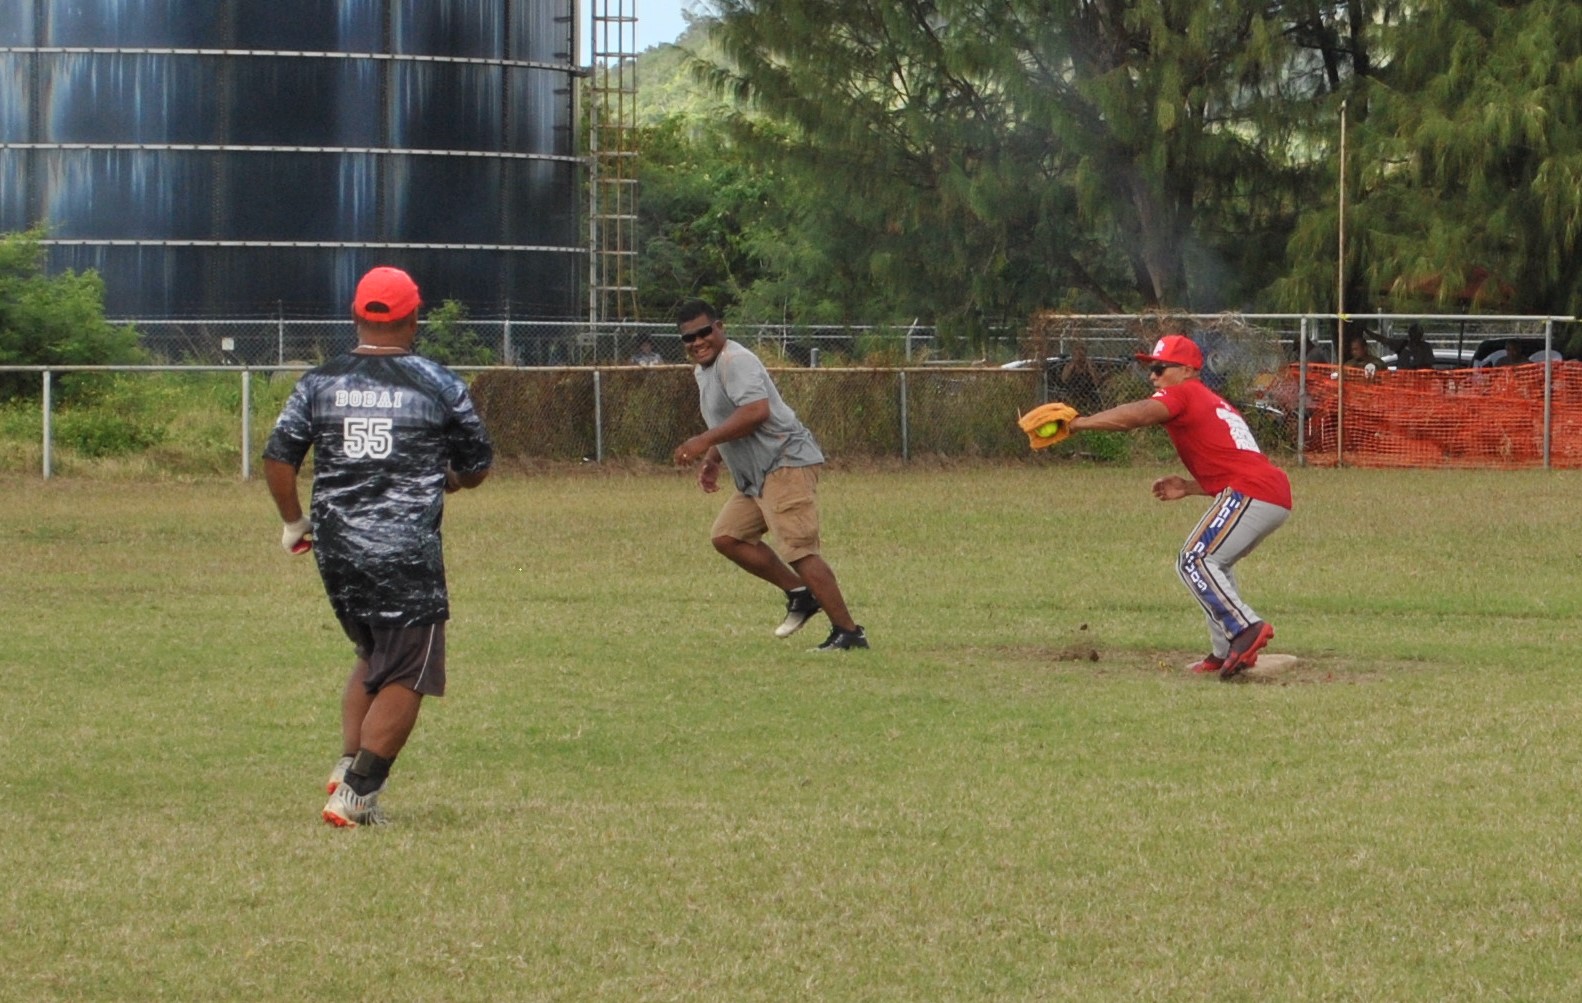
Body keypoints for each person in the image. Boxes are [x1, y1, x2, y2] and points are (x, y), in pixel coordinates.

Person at [264, 266, 494, 827]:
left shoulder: (318, 382)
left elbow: (278, 456)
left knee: (372, 655)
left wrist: (295, 523)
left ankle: (347, 766)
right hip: (405, 551)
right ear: (415, 318)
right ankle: (358, 794)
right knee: (410, 671)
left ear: (356, 314)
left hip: (336, 548)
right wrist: (452, 479)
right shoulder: (439, 383)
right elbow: (476, 464)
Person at [1066, 334, 1291, 680]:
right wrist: (1188, 487)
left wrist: (1078, 423)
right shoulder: (1212, 401)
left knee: (1194, 559)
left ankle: (1246, 629)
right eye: (1149, 369)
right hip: (1264, 491)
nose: (1153, 376)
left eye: (1159, 368)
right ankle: (1223, 651)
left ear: (1187, 369)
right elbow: (1237, 462)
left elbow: (1136, 416)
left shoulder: (1185, 392)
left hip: (1252, 491)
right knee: (1215, 562)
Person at [670, 298, 868, 651]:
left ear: (720, 327)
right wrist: (715, 458)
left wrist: (703, 441)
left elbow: (756, 411)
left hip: (784, 462)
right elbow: (727, 419)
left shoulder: (736, 360)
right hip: (756, 474)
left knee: (799, 549)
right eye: (689, 338)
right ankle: (800, 594)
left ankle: (849, 633)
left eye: (704, 332)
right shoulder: (703, 371)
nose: (698, 342)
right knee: (728, 536)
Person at [1058, 340, 1103, 412]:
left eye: (1082, 350)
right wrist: (1073, 364)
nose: (1079, 352)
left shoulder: (1090, 365)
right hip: (1072, 394)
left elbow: (1097, 382)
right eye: (1077, 350)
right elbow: (1064, 379)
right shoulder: (1069, 365)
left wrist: (1089, 367)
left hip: (1088, 394)